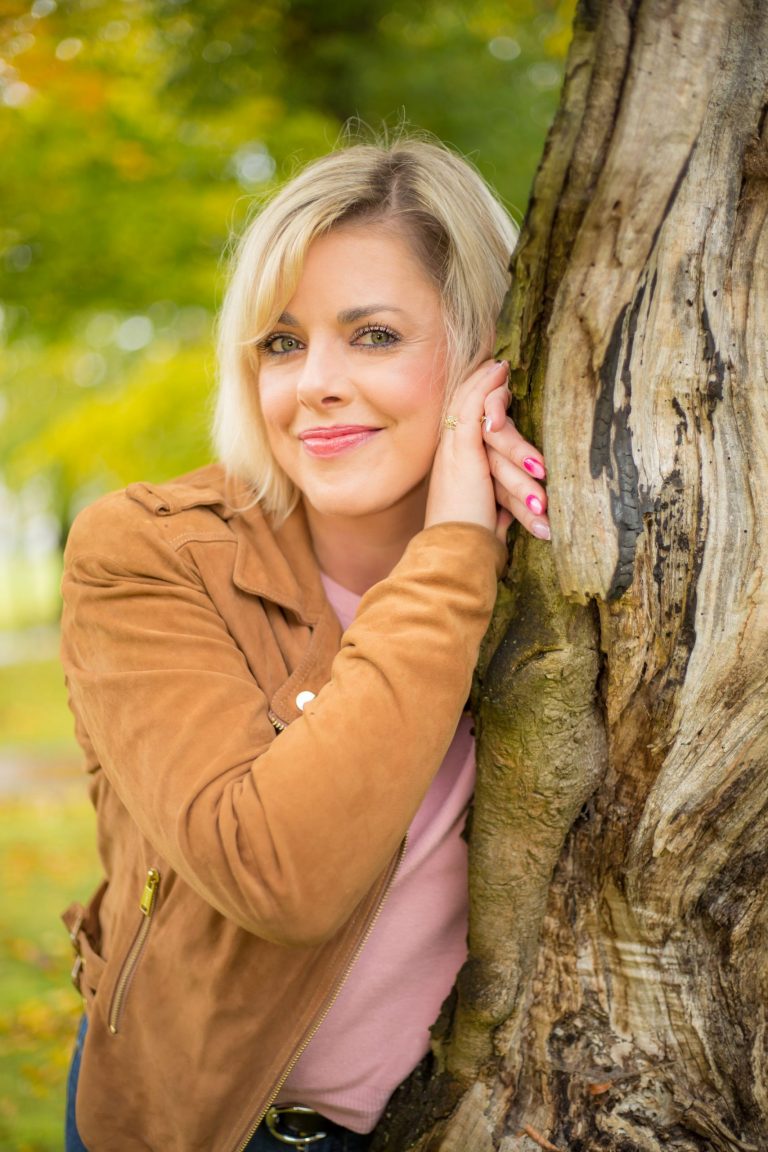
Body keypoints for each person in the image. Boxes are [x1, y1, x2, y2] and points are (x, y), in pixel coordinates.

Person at [60, 135, 550, 1152]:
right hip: (195, 1128)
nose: (315, 383)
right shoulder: (150, 553)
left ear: (487, 351)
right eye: (281, 343)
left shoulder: (565, 573)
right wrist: (454, 549)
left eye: (374, 335)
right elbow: (278, 874)